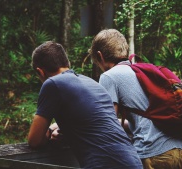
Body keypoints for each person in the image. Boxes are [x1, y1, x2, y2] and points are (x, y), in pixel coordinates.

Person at [27, 41, 143, 169]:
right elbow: (93, 122)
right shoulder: (92, 84)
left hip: (105, 164)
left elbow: (34, 141)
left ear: (41, 72)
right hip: (132, 160)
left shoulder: (52, 84)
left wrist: (48, 131)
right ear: (67, 63)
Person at [88, 29, 182, 169]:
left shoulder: (109, 76)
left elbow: (107, 125)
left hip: (153, 152)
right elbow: (144, 120)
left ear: (100, 56)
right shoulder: (142, 73)